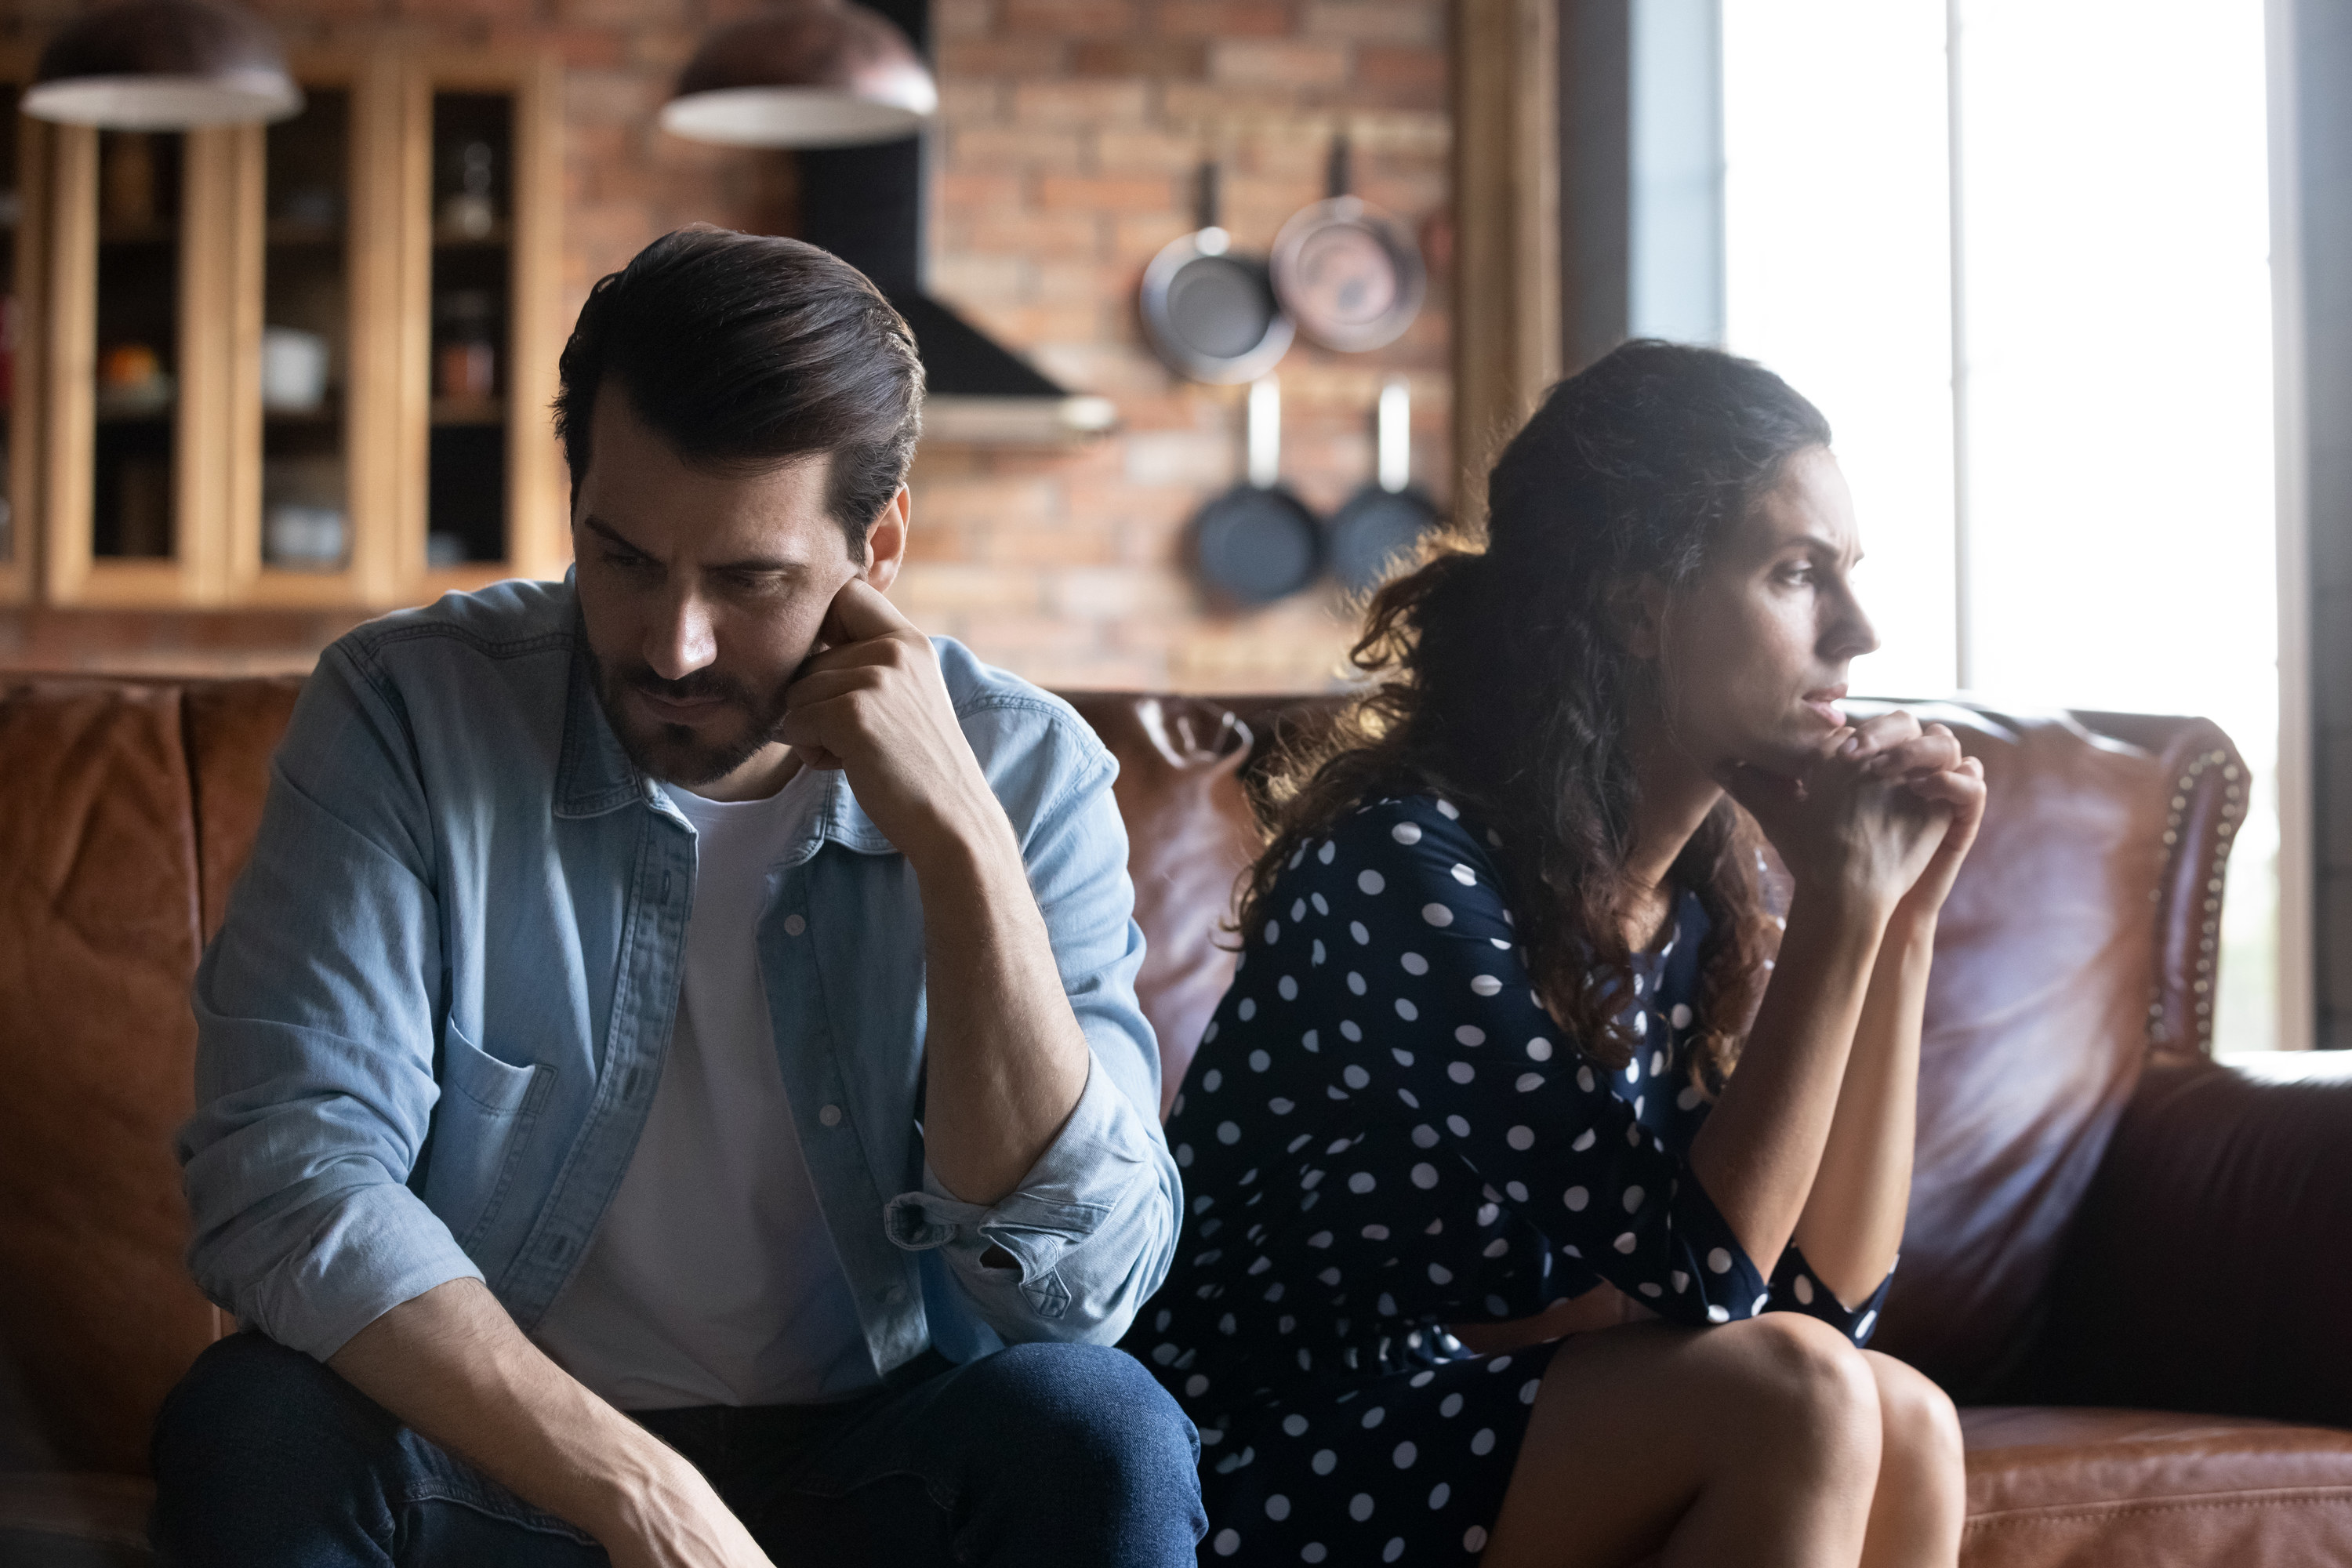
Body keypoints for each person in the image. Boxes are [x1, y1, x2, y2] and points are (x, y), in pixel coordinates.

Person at [153, 228, 1203, 1567]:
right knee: (254, 1425)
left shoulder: (1024, 766)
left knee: (1098, 1428)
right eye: (626, 558)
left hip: (866, 1461)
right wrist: (638, 1492)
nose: (673, 645)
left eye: (750, 579)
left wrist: (961, 846)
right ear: (576, 503)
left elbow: (1083, 1289)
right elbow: (290, 1179)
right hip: (499, 1455)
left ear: (876, 548)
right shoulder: (410, 711)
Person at [1130, 340, 1984, 1566]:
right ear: (1641, 604)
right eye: (1801, 574)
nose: (1859, 632)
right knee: (1796, 1398)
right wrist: (1844, 902)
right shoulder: (1404, 870)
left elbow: (1824, 1303)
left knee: (1905, 1413)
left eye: (1847, 577)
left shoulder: (1689, 905)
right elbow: (1712, 1282)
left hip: (1437, 1431)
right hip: (1245, 1462)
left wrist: (1902, 923)